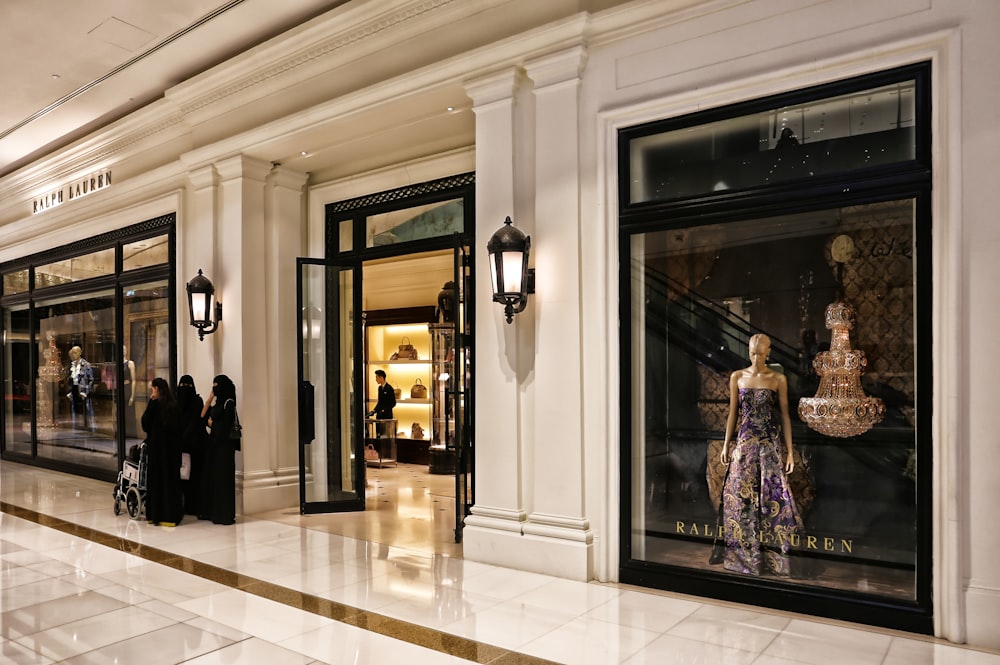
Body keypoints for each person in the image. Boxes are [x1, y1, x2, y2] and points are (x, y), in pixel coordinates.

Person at [715, 333, 802, 576]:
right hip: (744, 445)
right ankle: (743, 560)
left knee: (773, 499)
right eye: (753, 352)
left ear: (768, 353)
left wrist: (790, 452)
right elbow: (733, 413)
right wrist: (726, 445)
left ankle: (775, 560)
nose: (756, 357)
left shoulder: (778, 379)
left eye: (761, 353)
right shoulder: (737, 377)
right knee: (739, 500)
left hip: (769, 445)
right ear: (748, 351)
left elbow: (785, 416)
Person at [141, 377, 183, 526]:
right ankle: (170, 516)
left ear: (156, 389)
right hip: (171, 451)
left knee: (157, 482)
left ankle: (156, 515)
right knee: (170, 482)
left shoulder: (155, 405)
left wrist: (151, 402)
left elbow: (145, 424)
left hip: (157, 451)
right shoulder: (173, 406)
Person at [199, 374, 239, 525]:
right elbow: (202, 416)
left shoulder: (229, 403)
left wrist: (212, 424)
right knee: (214, 479)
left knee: (223, 480)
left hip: (224, 448)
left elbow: (226, 426)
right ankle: (214, 512)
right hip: (214, 446)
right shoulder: (217, 403)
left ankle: (224, 514)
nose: (214, 387)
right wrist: (209, 398)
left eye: (216, 385)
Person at [176, 375, 205, 517]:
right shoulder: (176, 402)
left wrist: (182, 440)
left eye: (187, 387)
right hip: (180, 446)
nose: (184, 390)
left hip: (194, 447)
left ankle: (193, 506)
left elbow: (195, 423)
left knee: (194, 478)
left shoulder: (197, 401)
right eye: (182, 386)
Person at [66, 345, 95, 431]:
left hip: (83, 388)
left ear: (80, 353)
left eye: (75, 352)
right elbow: (70, 379)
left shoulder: (86, 365)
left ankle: (91, 425)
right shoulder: (72, 365)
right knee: (74, 407)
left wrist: (86, 391)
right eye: (73, 352)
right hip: (74, 388)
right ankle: (75, 426)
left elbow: (91, 380)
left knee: (87, 407)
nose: (74, 354)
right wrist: (69, 390)